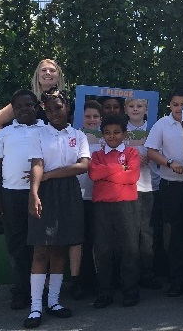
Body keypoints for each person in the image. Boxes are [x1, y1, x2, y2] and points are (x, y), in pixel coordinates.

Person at [26, 89, 90, 328]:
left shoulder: (79, 135)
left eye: (59, 107)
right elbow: (37, 163)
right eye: (50, 108)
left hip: (68, 192)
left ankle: (54, 302)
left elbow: (82, 165)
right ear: (44, 109)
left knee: (60, 249)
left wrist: (50, 175)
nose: (54, 112)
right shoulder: (39, 134)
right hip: (44, 193)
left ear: (68, 107)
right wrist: (34, 192)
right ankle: (35, 308)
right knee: (41, 250)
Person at [0, 90, 46, 310]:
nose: (24, 109)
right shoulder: (4, 134)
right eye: (19, 106)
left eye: (29, 105)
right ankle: (21, 291)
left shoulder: (46, 130)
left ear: (36, 107)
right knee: (17, 246)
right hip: (11, 195)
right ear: (13, 110)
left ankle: (40, 292)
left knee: (41, 245)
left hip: (41, 194)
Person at [88, 114, 142, 308]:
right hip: (102, 207)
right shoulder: (96, 155)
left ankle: (130, 292)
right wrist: (119, 169)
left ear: (124, 134)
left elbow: (132, 177)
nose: (112, 136)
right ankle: (105, 293)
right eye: (107, 133)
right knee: (103, 250)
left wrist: (107, 172)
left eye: (116, 132)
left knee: (129, 250)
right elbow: (94, 173)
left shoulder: (132, 153)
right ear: (102, 135)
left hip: (126, 205)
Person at [145, 88, 183, 297]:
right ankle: (176, 280)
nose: (180, 108)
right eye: (176, 104)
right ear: (170, 106)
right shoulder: (162, 124)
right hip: (170, 187)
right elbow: (151, 151)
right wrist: (170, 163)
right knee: (173, 234)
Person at [124, 97, 161, 290]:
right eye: (131, 106)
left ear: (146, 108)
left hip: (151, 186)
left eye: (139, 106)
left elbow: (161, 151)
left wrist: (151, 156)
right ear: (126, 109)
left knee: (147, 233)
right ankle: (131, 277)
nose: (135, 109)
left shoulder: (155, 129)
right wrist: (131, 158)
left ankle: (148, 274)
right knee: (131, 234)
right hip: (129, 187)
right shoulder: (121, 131)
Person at [71, 100, 105, 299]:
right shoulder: (74, 137)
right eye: (88, 116)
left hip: (99, 197)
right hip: (78, 195)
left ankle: (99, 282)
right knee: (80, 240)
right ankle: (82, 282)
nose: (92, 120)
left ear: (100, 119)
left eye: (95, 117)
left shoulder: (107, 139)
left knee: (97, 241)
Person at [0, 59, 65, 136]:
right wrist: (5, 145)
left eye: (52, 70)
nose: (48, 73)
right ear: (37, 76)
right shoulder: (26, 100)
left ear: (59, 76)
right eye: (43, 70)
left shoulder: (67, 102)